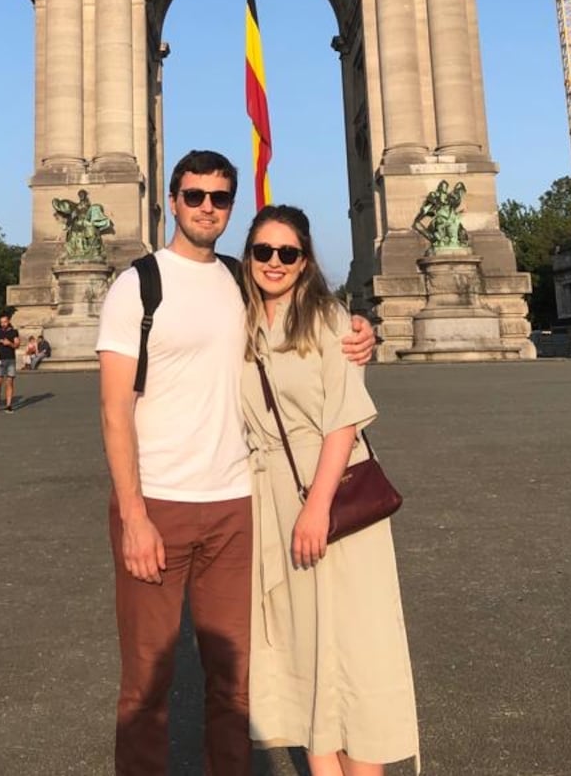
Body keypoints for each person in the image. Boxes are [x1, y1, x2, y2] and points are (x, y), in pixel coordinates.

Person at [96, 149, 375, 776]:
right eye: (194, 195)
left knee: (234, 683)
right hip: (160, 504)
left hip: (234, 505)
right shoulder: (136, 285)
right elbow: (115, 410)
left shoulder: (240, 279)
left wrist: (359, 331)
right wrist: (134, 517)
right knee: (147, 683)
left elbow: (305, 322)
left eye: (219, 198)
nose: (206, 207)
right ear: (172, 200)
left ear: (231, 206)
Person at [240, 204, 418, 775]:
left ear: (306, 261)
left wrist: (316, 509)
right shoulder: (236, 321)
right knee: (305, 650)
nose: (274, 262)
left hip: (331, 500)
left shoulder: (331, 321)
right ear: (247, 257)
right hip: (271, 498)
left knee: (354, 651)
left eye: (287, 253)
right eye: (263, 251)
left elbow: (344, 419)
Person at [0, 309, 20, 411]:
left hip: (10, 359)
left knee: (9, 382)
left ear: (9, 321)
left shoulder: (14, 332)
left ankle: (8, 405)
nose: (3, 324)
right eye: (1, 322)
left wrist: (9, 343)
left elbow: (17, 344)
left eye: (5, 322)